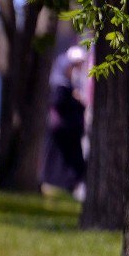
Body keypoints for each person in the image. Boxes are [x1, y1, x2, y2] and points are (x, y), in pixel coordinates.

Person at [42, 46, 88, 195]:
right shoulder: (61, 86)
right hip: (64, 130)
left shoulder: (69, 85)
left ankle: (69, 183)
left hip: (70, 131)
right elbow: (59, 103)